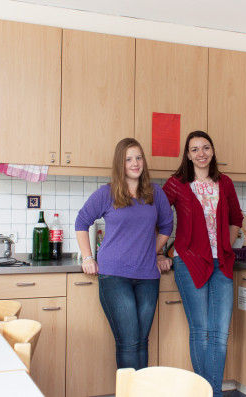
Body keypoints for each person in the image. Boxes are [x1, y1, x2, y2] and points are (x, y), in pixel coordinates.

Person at [75, 137, 174, 370]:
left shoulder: (155, 193)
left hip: (148, 277)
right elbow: (82, 221)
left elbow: (167, 226)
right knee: (129, 342)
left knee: (141, 341)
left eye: (138, 157)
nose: (135, 163)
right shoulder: (107, 193)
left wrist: (154, 251)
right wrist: (88, 257)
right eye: (129, 159)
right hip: (115, 277)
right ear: (120, 163)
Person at [162, 131, 243, 397]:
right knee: (201, 330)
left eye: (206, 147)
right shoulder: (176, 184)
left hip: (222, 264)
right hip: (188, 262)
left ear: (212, 151)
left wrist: (226, 246)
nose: (201, 153)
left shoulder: (225, 183)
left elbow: (236, 219)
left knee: (219, 333)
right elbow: (159, 218)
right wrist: (162, 252)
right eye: (195, 149)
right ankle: (204, 393)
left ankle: (213, 393)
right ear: (187, 154)